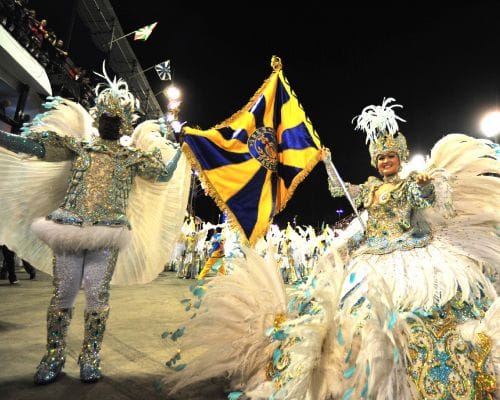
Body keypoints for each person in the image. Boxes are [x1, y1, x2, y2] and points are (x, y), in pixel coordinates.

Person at [162, 98, 500, 399]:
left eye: (391, 157)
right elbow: (339, 189)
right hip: (371, 254)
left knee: (415, 309)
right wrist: (326, 161)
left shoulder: (410, 184)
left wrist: (426, 185)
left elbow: (426, 199)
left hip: (411, 255)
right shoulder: (369, 190)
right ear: (374, 161)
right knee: (350, 312)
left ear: (401, 158)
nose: (386, 162)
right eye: (380, 158)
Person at [0, 65, 190, 385]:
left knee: (97, 298)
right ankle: (54, 355)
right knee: (63, 295)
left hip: (108, 234)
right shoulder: (79, 146)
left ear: (124, 123)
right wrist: (5, 138)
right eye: (105, 117)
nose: (110, 123)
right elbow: (34, 148)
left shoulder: (132, 157)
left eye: (115, 119)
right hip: (70, 230)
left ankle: (90, 356)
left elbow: (165, 174)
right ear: (97, 119)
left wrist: (182, 151)